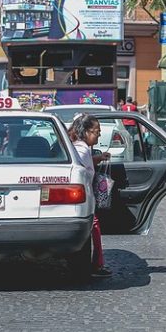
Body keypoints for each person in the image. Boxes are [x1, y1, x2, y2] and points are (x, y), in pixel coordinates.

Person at [68, 114, 112, 278]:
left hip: (86, 198)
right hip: (85, 199)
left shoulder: (81, 147)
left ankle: (97, 263)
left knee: (95, 229)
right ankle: (96, 264)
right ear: (85, 132)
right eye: (96, 131)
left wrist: (98, 158)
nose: (99, 134)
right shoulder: (82, 149)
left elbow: (86, 163)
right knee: (94, 230)